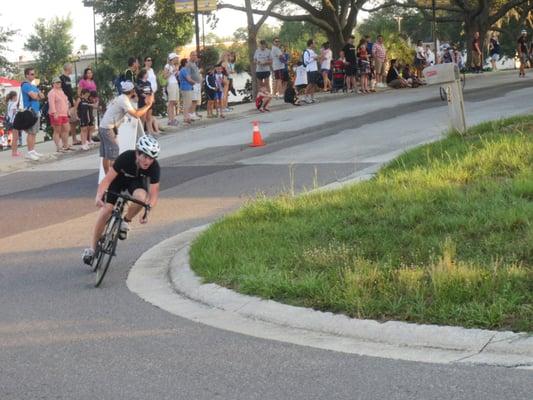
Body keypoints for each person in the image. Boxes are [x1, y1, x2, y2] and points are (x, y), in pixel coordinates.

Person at [82, 135, 161, 266]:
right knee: (106, 210)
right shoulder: (126, 158)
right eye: (145, 157)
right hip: (118, 180)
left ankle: (126, 221)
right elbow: (107, 180)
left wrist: (147, 211)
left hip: (136, 183)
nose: (147, 161)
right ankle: (93, 249)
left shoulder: (154, 167)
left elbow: (154, 194)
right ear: (137, 153)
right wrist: (98, 196)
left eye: (151, 158)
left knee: (142, 199)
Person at [98, 81, 154, 174]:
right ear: (132, 91)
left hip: (104, 127)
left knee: (106, 155)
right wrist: (148, 105)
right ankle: (113, 178)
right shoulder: (124, 100)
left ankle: (108, 177)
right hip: (108, 129)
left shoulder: (121, 98)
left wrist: (138, 97)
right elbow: (136, 114)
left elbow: (134, 108)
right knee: (113, 155)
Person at [21, 67, 45, 161]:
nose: (33, 76)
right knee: (31, 132)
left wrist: (37, 96)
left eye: (34, 74)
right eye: (31, 74)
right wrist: (37, 95)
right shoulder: (25, 85)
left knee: (34, 132)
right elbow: (35, 96)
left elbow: (42, 96)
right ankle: (29, 152)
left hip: (36, 110)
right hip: (30, 111)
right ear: (26, 75)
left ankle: (33, 150)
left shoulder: (33, 85)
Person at [48, 76, 71, 152]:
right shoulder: (52, 92)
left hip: (64, 113)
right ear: (53, 84)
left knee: (66, 129)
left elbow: (65, 101)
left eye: (59, 82)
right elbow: (51, 104)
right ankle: (58, 147)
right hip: (56, 114)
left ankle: (65, 145)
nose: (59, 84)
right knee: (57, 130)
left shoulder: (61, 91)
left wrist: (68, 111)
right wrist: (54, 113)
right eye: (57, 82)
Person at [59, 63, 80, 146]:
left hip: (71, 102)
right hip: (65, 103)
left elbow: (69, 91)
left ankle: (74, 139)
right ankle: (64, 143)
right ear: (67, 68)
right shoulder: (61, 78)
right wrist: (65, 101)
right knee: (65, 124)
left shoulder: (68, 78)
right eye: (71, 68)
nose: (72, 69)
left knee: (73, 121)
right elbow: (61, 91)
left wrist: (73, 100)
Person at [144, 56, 160, 134]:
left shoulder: (152, 70)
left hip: (153, 93)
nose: (150, 62)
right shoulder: (144, 71)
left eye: (151, 60)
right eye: (148, 60)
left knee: (150, 112)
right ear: (145, 62)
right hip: (148, 94)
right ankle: (149, 130)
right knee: (147, 113)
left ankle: (152, 130)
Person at [163, 53, 180, 126]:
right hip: (171, 84)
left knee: (174, 102)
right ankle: (170, 120)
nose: (177, 59)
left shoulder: (174, 66)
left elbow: (173, 75)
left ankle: (173, 118)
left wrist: (176, 73)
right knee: (171, 102)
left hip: (175, 84)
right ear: (172, 58)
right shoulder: (167, 66)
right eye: (176, 58)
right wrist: (172, 72)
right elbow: (165, 76)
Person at [178, 58, 195, 124]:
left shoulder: (185, 70)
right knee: (186, 104)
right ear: (185, 63)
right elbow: (189, 79)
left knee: (188, 103)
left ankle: (187, 116)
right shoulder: (184, 70)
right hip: (186, 88)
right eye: (188, 62)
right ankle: (185, 118)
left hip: (187, 88)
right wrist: (194, 82)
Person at [4, 91, 21, 157]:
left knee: (14, 138)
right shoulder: (13, 104)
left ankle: (14, 152)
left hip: (10, 122)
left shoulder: (9, 103)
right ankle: (14, 152)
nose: (17, 98)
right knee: (15, 138)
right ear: (14, 97)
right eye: (16, 96)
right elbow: (14, 112)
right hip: (14, 122)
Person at [187, 51, 203, 119]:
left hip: (197, 84)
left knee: (196, 99)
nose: (195, 56)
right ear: (190, 56)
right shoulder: (189, 64)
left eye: (196, 55)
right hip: (193, 84)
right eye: (193, 55)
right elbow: (188, 75)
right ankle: (190, 114)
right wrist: (192, 83)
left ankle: (193, 113)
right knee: (193, 99)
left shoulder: (194, 64)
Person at [303, 39, 320, 103]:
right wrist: (314, 58)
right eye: (314, 43)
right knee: (310, 84)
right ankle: (306, 97)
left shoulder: (313, 51)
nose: (315, 44)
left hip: (314, 69)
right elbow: (306, 61)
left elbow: (316, 59)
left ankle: (312, 97)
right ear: (311, 44)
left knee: (313, 84)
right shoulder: (306, 52)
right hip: (310, 70)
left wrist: (318, 58)